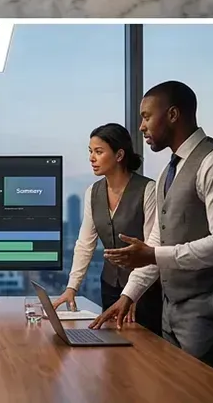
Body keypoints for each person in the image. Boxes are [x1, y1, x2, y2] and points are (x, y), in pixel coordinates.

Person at [92, 81, 213, 378]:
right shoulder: (169, 171)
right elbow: (159, 241)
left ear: (174, 115)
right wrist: (128, 296)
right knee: (174, 388)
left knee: (202, 393)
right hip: (173, 306)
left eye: (147, 116)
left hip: (210, 305)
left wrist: (154, 254)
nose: (141, 126)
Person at [51, 124, 163, 336]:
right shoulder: (93, 192)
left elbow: (152, 248)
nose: (92, 158)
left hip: (145, 292)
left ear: (119, 154)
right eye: (90, 151)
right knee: (113, 351)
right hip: (110, 286)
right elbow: (85, 244)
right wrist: (71, 288)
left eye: (99, 152)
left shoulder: (148, 190)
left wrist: (133, 294)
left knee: (145, 352)